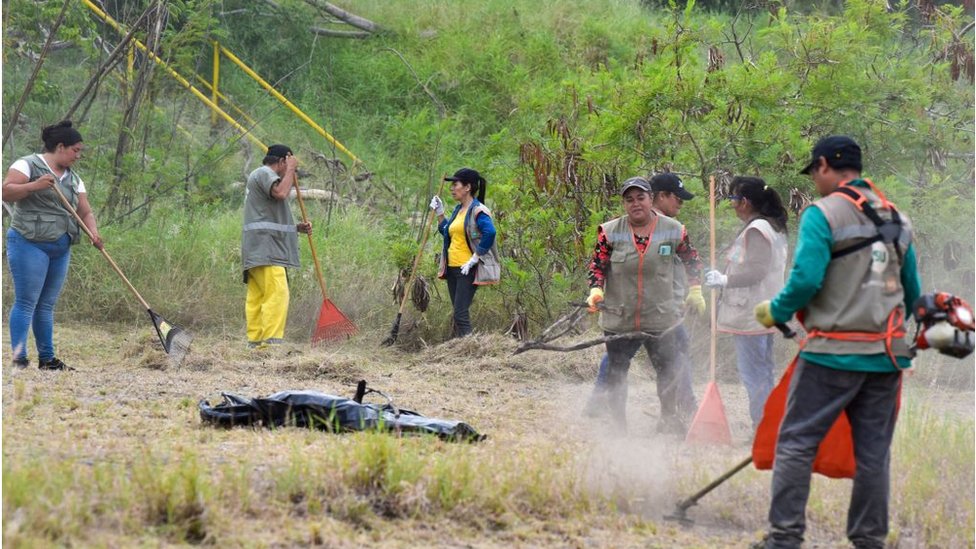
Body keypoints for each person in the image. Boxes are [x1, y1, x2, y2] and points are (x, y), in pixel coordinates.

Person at [753, 136, 921, 549]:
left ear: (825, 165)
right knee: (873, 454)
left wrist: (776, 309)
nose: (814, 182)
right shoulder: (898, 219)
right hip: (886, 358)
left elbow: (806, 280)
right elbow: (914, 295)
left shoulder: (822, 214)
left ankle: (785, 538)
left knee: (795, 443)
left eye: (814, 172)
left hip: (831, 354)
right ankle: (869, 540)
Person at [583, 173, 705, 434]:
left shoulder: (674, 230)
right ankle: (618, 427)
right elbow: (598, 265)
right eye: (629, 199)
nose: (636, 203)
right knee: (617, 372)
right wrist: (595, 289)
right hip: (620, 317)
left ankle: (669, 422)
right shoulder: (610, 231)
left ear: (651, 199)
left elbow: (692, 259)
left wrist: (695, 290)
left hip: (661, 317)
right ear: (624, 204)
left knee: (667, 370)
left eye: (641, 197)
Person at [2, 120, 103, 371]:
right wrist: (34, 186)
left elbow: (85, 212)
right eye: (75, 150)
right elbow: (6, 192)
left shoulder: (74, 179)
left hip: (60, 248)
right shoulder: (27, 164)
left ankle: (47, 359)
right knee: (27, 301)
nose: (78, 156)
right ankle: (19, 358)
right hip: (29, 243)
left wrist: (94, 233)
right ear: (60, 146)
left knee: (46, 304)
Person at [703, 176, 789, 431]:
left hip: (752, 314)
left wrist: (724, 280)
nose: (731, 204)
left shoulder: (757, 229)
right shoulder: (771, 226)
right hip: (765, 311)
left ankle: (763, 428)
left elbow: (757, 271)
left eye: (732, 199)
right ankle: (770, 424)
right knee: (763, 372)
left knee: (755, 375)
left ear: (746, 202)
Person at [241, 144, 312, 349]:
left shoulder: (259, 176)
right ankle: (271, 345)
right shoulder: (264, 173)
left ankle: (255, 343)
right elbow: (281, 193)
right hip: (267, 248)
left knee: (258, 296)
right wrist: (291, 169)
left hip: (258, 248)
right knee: (277, 294)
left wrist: (295, 227)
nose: (290, 170)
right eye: (287, 164)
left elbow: (266, 215)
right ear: (282, 161)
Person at [430, 167, 499, 338]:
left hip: (467, 269)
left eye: (456, 184)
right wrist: (440, 214)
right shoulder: (458, 210)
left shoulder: (478, 211)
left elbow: (490, 233)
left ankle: (472, 349)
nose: (452, 188)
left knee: (460, 314)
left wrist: (475, 259)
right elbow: (448, 231)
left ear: (467, 187)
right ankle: (464, 348)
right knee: (458, 313)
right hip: (453, 268)